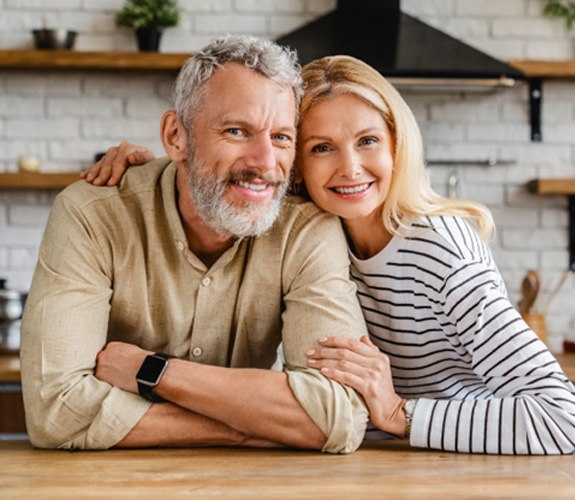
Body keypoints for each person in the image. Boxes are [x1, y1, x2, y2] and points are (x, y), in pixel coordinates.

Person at [90, 55, 575, 455]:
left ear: (397, 145)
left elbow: (561, 418)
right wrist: (152, 170)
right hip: (378, 462)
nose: (350, 168)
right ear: (296, 163)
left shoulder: (440, 251)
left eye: (367, 141)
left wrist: (400, 414)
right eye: (322, 147)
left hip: (475, 468)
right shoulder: (314, 232)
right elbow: (230, 174)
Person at [20, 36, 371, 453]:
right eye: (237, 131)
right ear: (176, 136)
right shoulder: (92, 214)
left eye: (281, 137)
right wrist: (248, 427)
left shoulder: (306, 229)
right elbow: (54, 412)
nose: (264, 162)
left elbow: (339, 417)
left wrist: (153, 371)